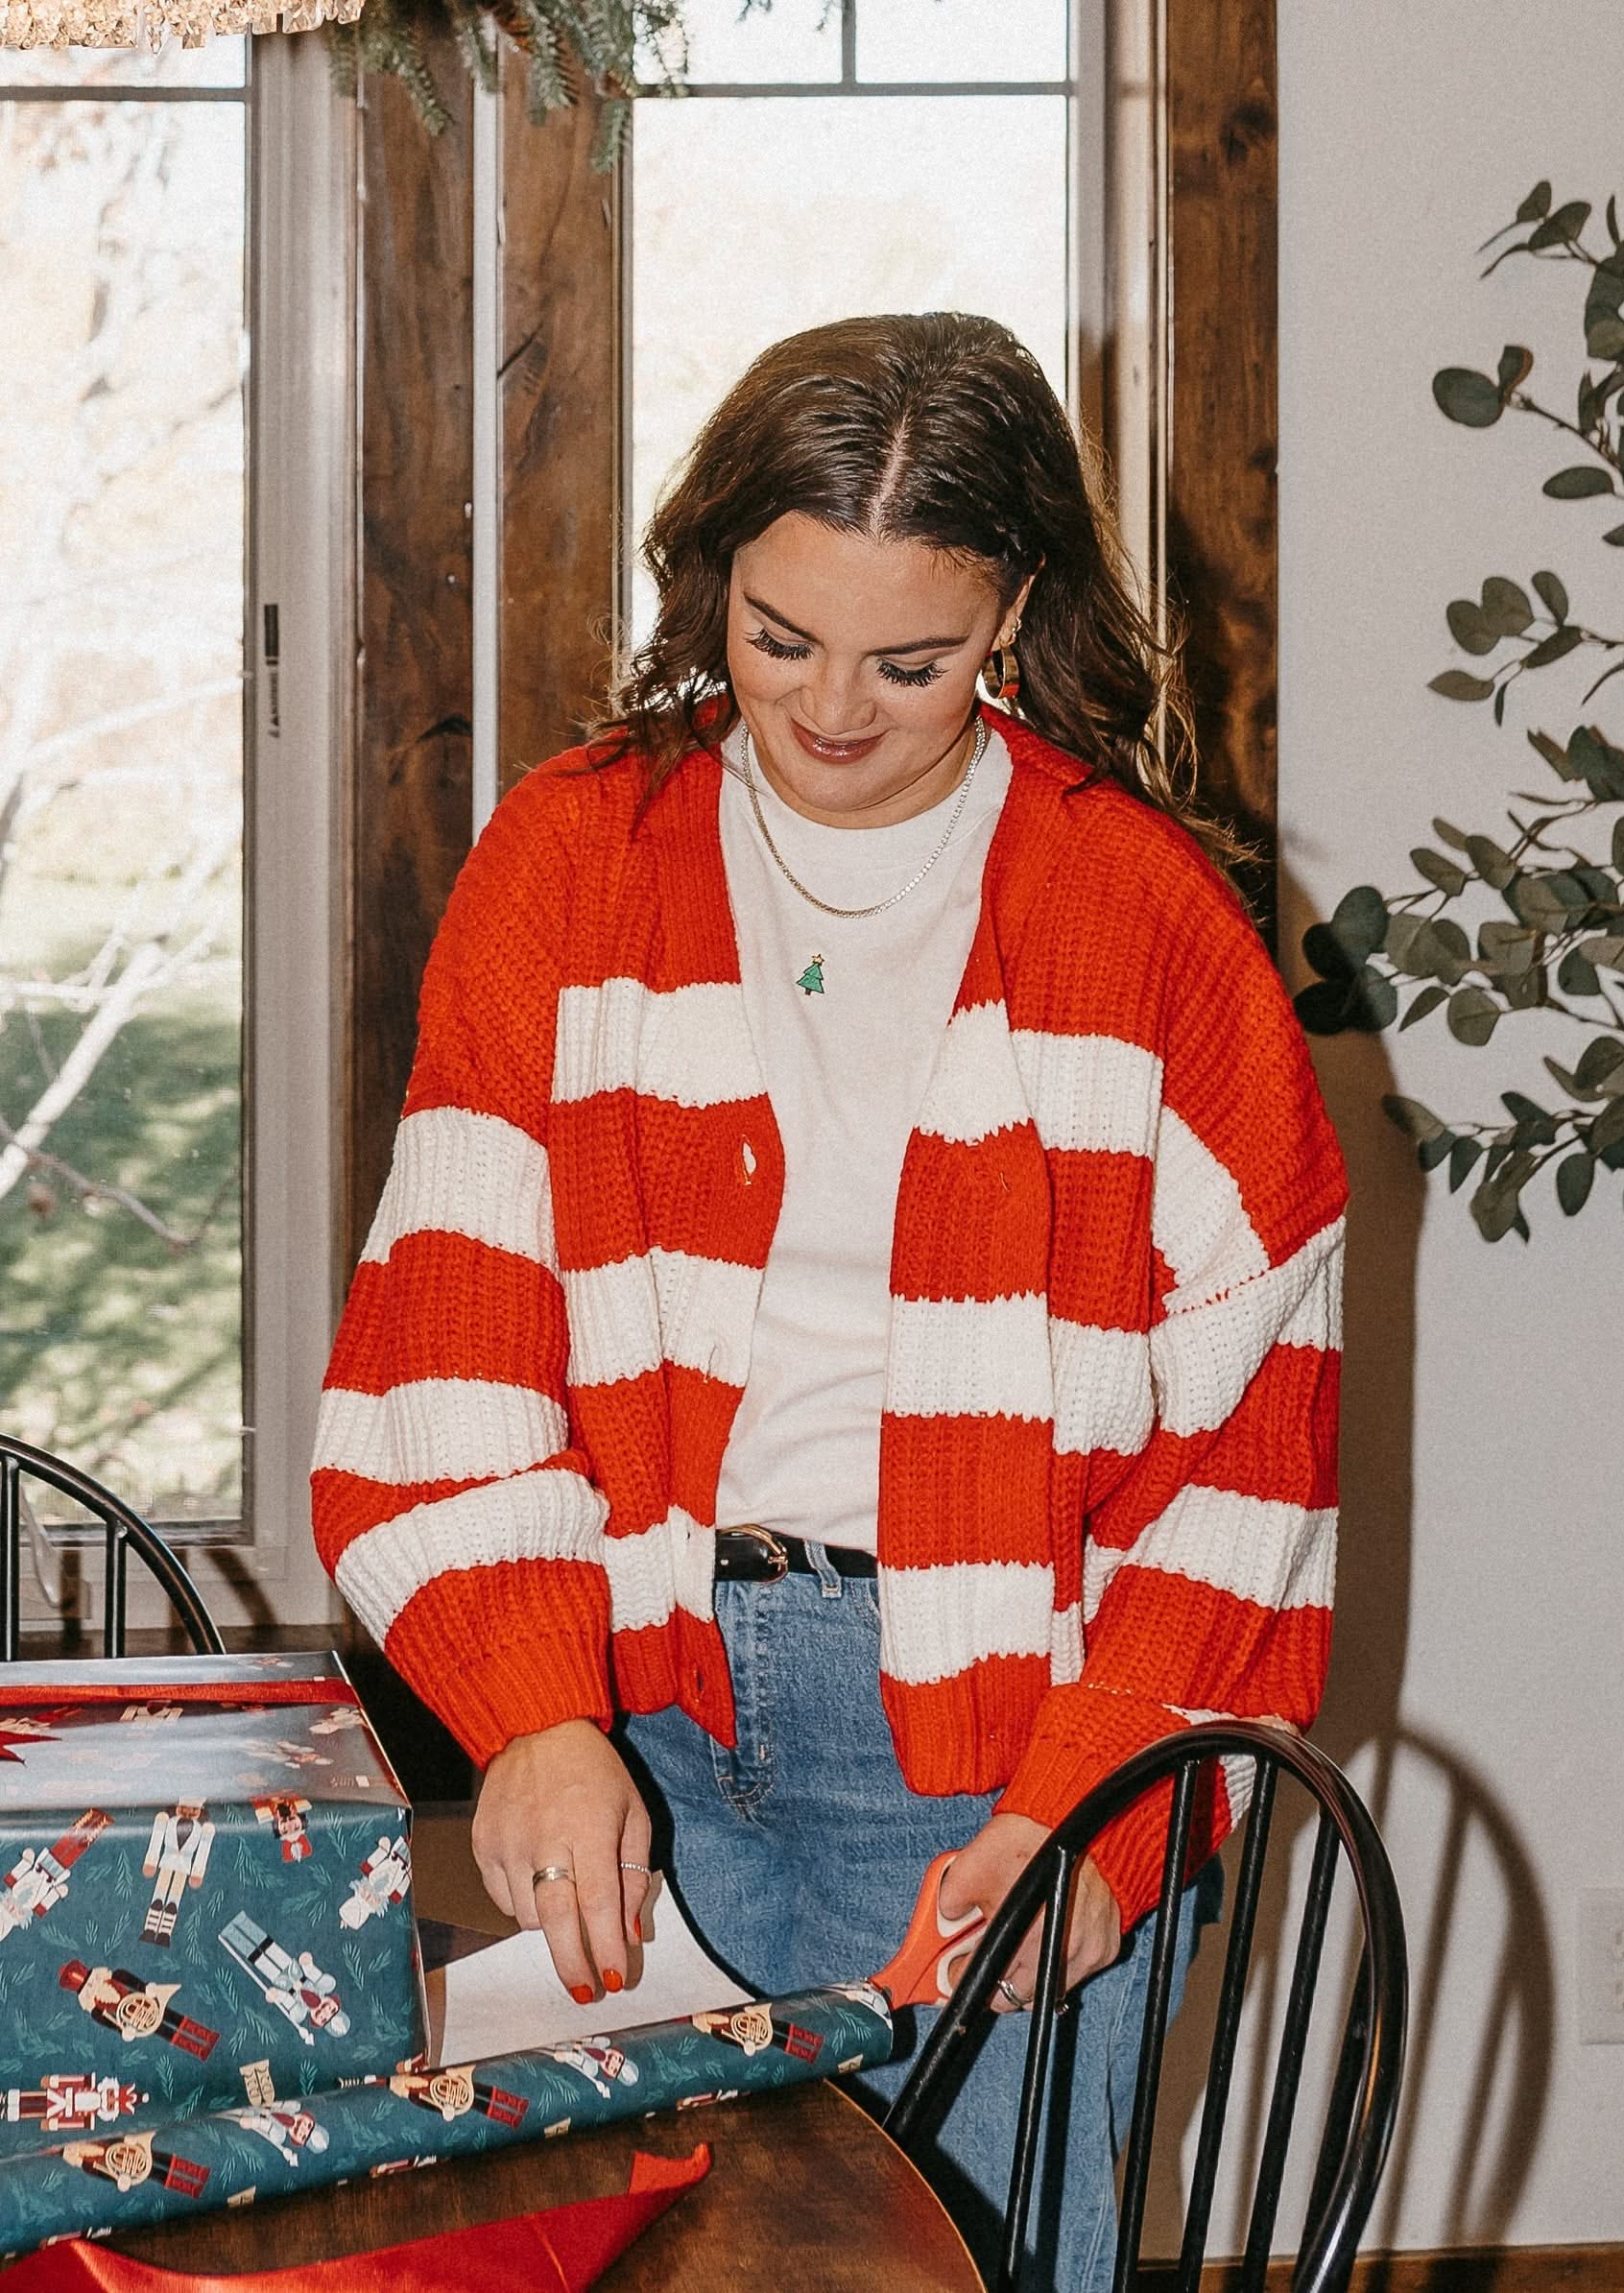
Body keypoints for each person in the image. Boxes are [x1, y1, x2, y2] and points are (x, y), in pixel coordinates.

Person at [311, 311, 1345, 2290]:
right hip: (647, 1720)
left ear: (1020, 610)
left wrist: (1090, 1813)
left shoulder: (1140, 922)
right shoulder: (575, 856)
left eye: (914, 659)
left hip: (993, 1752)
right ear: (709, 580)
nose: (831, 713)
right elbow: (449, 1330)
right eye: (777, 638)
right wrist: (528, 1717)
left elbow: (1247, 1458)